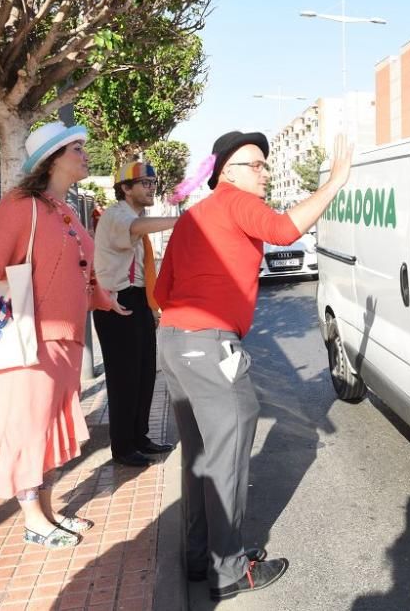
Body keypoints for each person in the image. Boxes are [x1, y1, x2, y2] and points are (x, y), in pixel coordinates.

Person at [155, 130, 353, 600]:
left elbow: (161, 292)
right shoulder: (234, 200)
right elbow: (286, 230)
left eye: (265, 164)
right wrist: (335, 182)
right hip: (210, 345)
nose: (263, 172)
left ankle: (201, 556)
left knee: (200, 456)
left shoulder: (193, 217)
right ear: (227, 172)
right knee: (225, 456)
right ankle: (229, 569)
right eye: (256, 164)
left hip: (174, 341)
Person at [0, 122, 128, 549]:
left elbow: (84, 271)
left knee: (47, 428)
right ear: (53, 158)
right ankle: (32, 518)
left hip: (65, 342)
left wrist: (107, 300)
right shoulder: (20, 204)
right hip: (30, 341)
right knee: (27, 427)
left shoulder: (64, 209)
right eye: (77, 148)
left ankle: (46, 509)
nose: (86, 154)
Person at [93, 161, 178, 467]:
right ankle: (124, 447)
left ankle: (139, 437)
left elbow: (142, 267)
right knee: (124, 378)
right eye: (144, 183)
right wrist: (178, 221)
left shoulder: (135, 215)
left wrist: (151, 308)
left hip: (137, 301)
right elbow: (136, 230)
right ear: (125, 189)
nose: (151, 188)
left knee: (144, 375)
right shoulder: (119, 214)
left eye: (153, 183)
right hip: (117, 302)